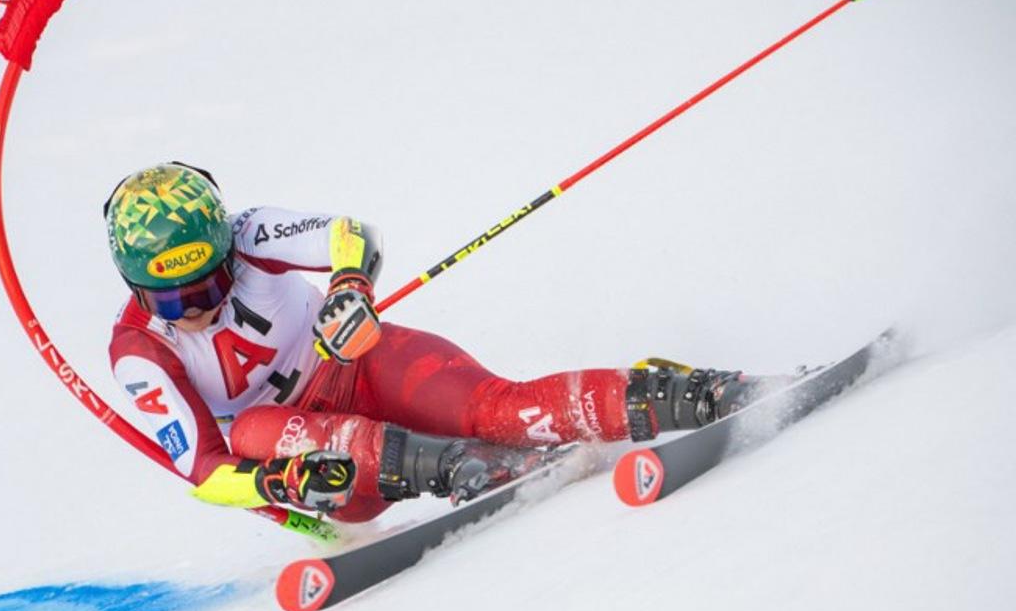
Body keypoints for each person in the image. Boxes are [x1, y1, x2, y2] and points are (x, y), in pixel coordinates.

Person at [105, 162, 760, 523]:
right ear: (137, 290)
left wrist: (350, 291)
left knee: (498, 410)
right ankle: (462, 467)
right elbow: (205, 473)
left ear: (224, 246)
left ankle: (693, 393)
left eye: (210, 283)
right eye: (173, 300)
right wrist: (274, 483)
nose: (199, 308)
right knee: (251, 432)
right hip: (318, 458)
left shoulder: (248, 232)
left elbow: (349, 233)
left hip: (360, 365)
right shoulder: (139, 352)